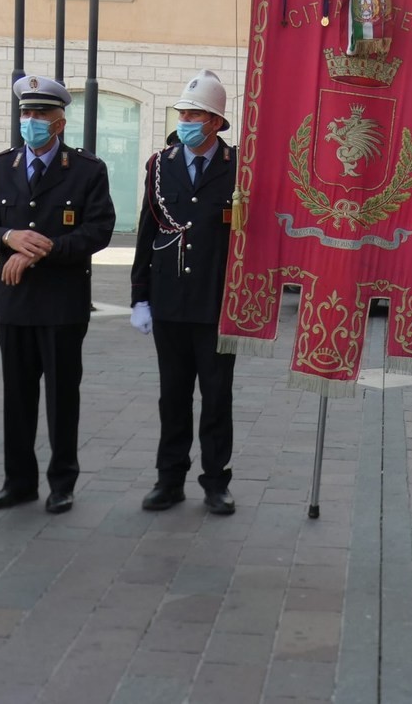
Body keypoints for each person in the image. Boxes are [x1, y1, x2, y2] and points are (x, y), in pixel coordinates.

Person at [0, 75, 115, 515]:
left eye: (40, 114)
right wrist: (11, 237)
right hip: (14, 301)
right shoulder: (1, 167)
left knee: (61, 396)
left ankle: (62, 482)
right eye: (25, 113)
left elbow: (98, 231)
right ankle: (18, 481)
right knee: (16, 396)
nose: (30, 121)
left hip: (62, 302)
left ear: (60, 122)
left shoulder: (88, 169)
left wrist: (45, 250)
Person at [130, 69, 237, 516]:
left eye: (195, 114)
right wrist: (140, 295)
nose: (186, 121)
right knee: (172, 396)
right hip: (170, 300)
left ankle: (216, 482)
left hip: (217, 303)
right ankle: (169, 479)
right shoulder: (162, 165)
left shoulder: (238, 169)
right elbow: (147, 230)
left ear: (214, 121)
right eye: (183, 113)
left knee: (216, 398)